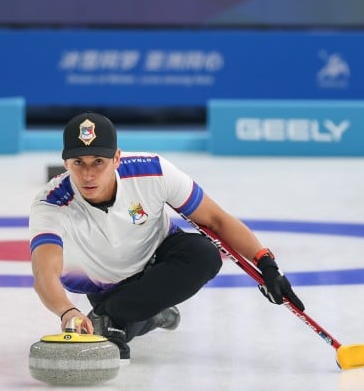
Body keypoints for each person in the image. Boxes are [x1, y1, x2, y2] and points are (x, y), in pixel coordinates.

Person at [29, 112, 304, 360]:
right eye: (78, 162)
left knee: (204, 255)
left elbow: (216, 219)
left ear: (116, 158)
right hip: (105, 285)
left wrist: (266, 263)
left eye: (98, 162)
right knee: (115, 337)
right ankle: (131, 315)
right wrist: (67, 311)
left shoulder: (152, 171)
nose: (88, 174)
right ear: (65, 163)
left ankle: (114, 317)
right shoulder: (52, 203)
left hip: (156, 259)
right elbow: (45, 273)